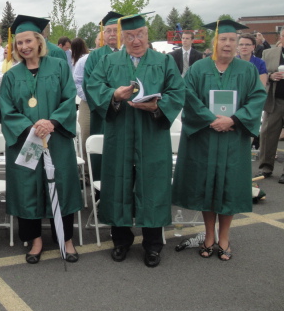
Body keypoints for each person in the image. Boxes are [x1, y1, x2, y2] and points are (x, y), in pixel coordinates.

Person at [85, 14, 185, 267]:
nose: (135, 40)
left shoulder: (164, 61)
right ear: (122, 37)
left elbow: (177, 92)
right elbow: (93, 86)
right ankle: (121, 241)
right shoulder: (109, 61)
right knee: (118, 183)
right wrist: (114, 95)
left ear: (147, 34)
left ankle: (152, 245)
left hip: (152, 134)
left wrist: (156, 106)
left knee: (151, 185)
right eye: (129, 36)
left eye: (140, 34)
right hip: (120, 134)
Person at [173, 20, 266, 260]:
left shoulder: (247, 70)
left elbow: (257, 98)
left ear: (238, 45)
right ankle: (208, 235)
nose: (227, 44)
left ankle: (224, 236)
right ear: (215, 42)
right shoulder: (198, 68)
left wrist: (233, 119)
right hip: (206, 136)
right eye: (223, 39)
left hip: (233, 138)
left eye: (232, 40)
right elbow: (188, 95)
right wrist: (210, 118)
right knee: (207, 186)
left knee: (229, 187)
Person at [0, 15, 82, 264]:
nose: (24, 47)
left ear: (39, 41)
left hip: (56, 139)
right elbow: (6, 108)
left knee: (62, 185)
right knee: (27, 189)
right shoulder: (12, 76)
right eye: (19, 43)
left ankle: (66, 239)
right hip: (27, 141)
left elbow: (69, 98)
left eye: (28, 41)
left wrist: (51, 122)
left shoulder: (58, 67)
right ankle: (34, 240)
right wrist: (30, 126)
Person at [82, 11, 123, 182]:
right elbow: (90, 85)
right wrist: (113, 98)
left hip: (133, 112)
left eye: (116, 30)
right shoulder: (95, 56)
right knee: (104, 152)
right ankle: (102, 195)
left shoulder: (133, 53)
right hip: (105, 114)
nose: (112, 34)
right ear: (103, 34)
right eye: (108, 31)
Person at [257, 27, 284, 184]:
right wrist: (271, 76)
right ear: (280, 37)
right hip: (275, 99)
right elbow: (262, 73)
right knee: (267, 134)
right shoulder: (269, 53)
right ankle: (266, 167)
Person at [71, 38, 90, 159]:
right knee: (85, 134)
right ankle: (87, 172)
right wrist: (88, 97)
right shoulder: (84, 60)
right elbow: (77, 81)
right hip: (87, 101)